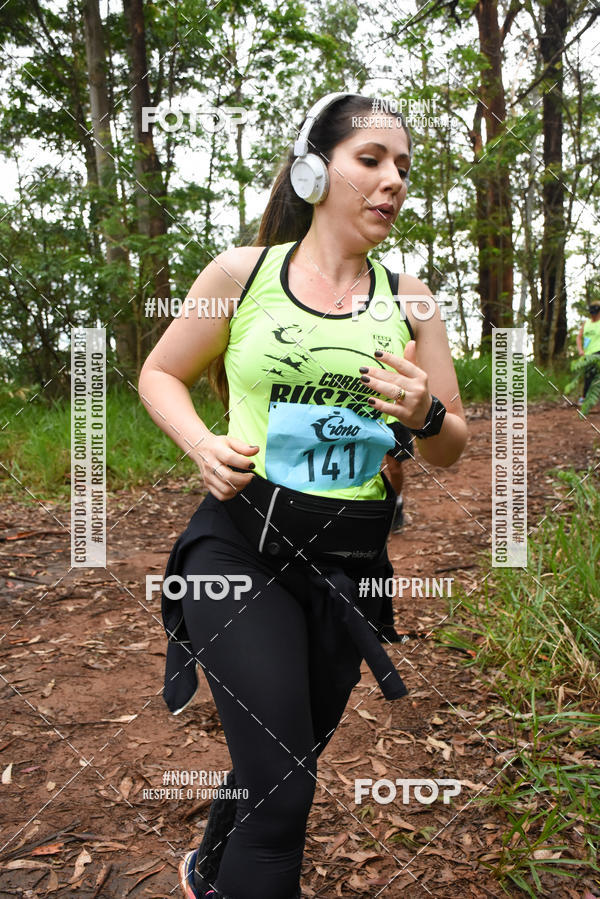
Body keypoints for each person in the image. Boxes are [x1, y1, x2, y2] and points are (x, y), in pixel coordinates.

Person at [138, 92, 468, 899]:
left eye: (403, 168)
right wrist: (202, 445)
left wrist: (423, 412)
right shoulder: (239, 275)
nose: (392, 181)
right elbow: (160, 372)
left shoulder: (411, 296)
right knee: (286, 791)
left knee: (284, 755)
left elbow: (453, 445)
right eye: (371, 160)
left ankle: (210, 866)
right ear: (316, 169)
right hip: (238, 545)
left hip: (349, 558)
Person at [576, 303, 600, 403]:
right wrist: (580, 350)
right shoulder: (586, 323)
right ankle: (585, 398)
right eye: (592, 313)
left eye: (595, 313)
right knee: (588, 376)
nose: (593, 315)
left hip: (598, 352)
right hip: (587, 354)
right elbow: (579, 337)